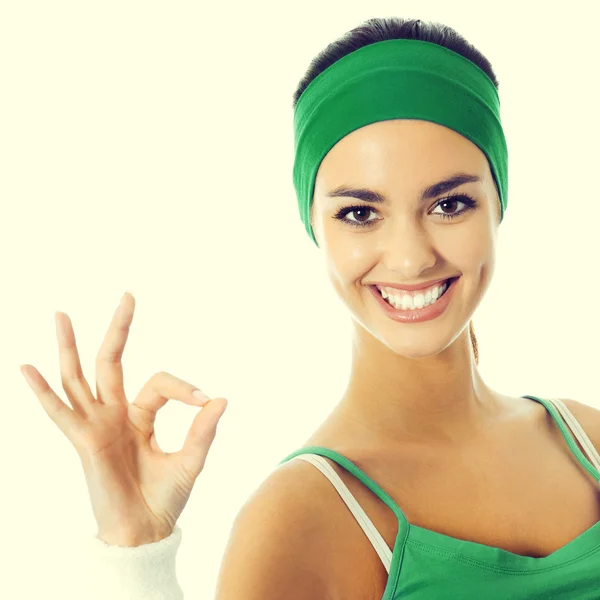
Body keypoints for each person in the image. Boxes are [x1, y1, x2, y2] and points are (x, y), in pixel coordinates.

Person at [20, 16, 600, 600]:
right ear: (314, 227)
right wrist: (135, 557)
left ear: (499, 200)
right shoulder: (300, 519)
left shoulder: (589, 441)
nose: (409, 259)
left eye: (450, 204)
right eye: (359, 213)